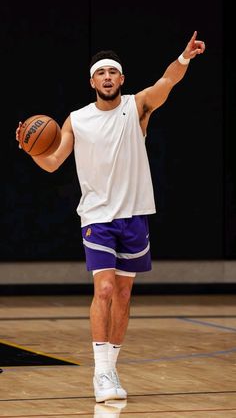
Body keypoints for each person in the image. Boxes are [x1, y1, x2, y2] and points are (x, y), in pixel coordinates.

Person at [16, 31, 205, 403]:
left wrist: (183, 59)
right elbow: (53, 162)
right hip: (97, 216)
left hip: (134, 214)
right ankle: (101, 370)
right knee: (103, 289)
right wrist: (29, 148)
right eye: (100, 72)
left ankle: (112, 366)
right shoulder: (76, 119)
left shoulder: (137, 107)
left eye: (112, 72)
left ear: (121, 79)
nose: (106, 77)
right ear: (91, 81)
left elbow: (167, 81)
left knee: (122, 294)